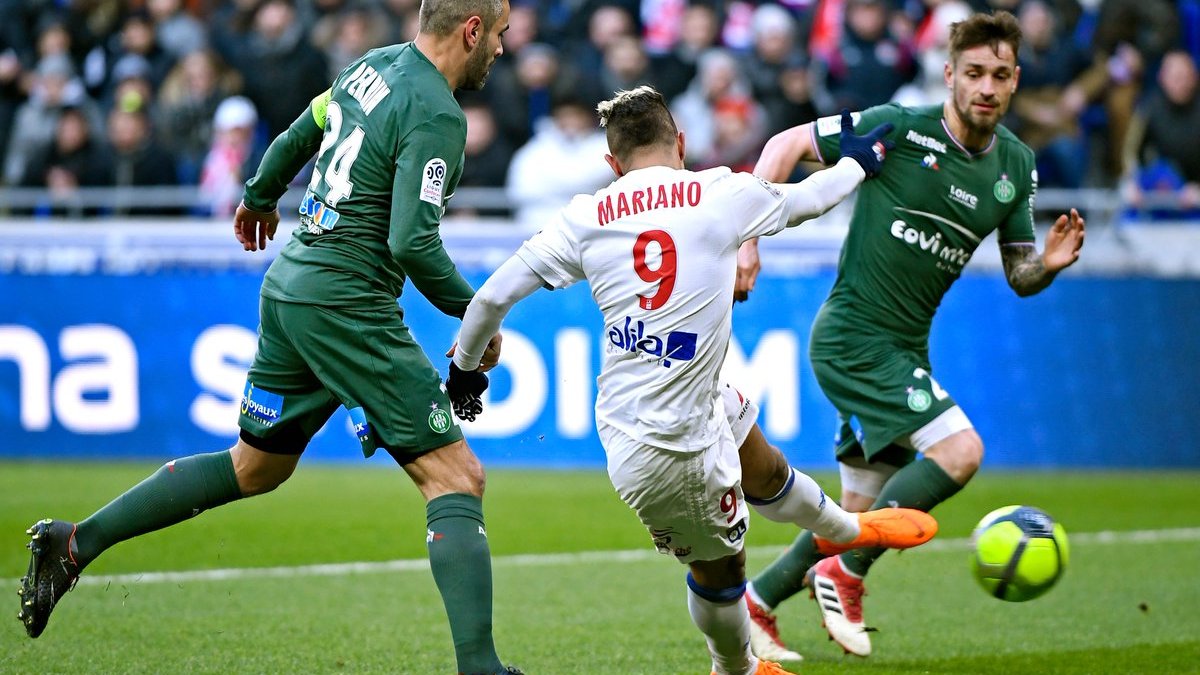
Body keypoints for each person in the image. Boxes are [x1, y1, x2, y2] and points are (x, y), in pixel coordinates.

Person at [18, 3, 522, 674]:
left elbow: (300, 132)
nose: (502, 48)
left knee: (255, 466)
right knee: (456, 476)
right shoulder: (437, 114)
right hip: (346, 303)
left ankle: (74, 543)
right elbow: (411, 241)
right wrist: (478, 315)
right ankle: (481, 668)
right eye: (500, 34)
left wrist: (259, 194)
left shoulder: (369, 68)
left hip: (291, 286)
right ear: (471, 30)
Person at [445, 85, 938, 675]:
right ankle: (736, 669)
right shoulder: (719, 192)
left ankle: (848, 529)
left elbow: (491, 298)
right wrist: (858, 161)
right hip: (670, 450)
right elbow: (811, 198)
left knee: (764, 466)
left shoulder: (585, 216)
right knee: (723, 571)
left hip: (650, 419)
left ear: (612, 163)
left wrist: (464, 368)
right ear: (680, 143)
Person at [733, 10, 1087, 660]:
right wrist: (748, 239)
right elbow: (784, 143)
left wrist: (1048, 266)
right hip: (852, 337)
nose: (986, 87)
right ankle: (847, 574)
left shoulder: (1016, 164)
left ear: (1015, 81)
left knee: (858, 509)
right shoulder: (898, 128)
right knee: (960, 451)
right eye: (974, 73)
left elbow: (1020, 273)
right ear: (949, 74)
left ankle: (757, 602)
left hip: (905, 347)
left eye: (1000, 75)